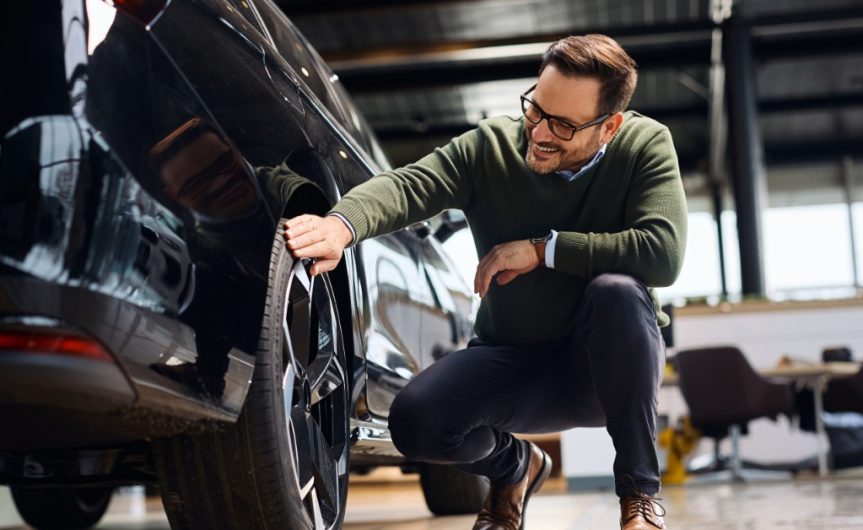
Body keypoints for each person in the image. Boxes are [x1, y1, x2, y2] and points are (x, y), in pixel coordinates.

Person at [284, 34, 687, 530]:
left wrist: (544, 250)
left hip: (604, 368)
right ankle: (517, 468)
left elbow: (662, 253)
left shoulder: (645, 146)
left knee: (619, 294)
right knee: (415, 421)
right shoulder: (491, 145)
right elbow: (410, 185)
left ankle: (639, 502)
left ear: (609, 127)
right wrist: (340, 226)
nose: (538, 133)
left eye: (562, 125)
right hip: (515, 362)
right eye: (536, 110)